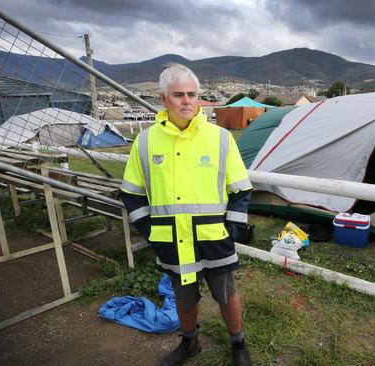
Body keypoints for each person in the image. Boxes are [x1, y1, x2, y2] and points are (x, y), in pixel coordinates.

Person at [120, 63, 253, 366]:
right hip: (171, 240)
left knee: (227, 294)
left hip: (214, 237)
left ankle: (238, 345)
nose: (187, 101)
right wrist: (149, 230)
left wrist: (232, 230)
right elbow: (130, 192)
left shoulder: (219, 138)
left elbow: (241, 190)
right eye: (178, 94)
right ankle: (189, 343)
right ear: (162, 98)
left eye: (192, 94)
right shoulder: (145, 142)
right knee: (184, 297)